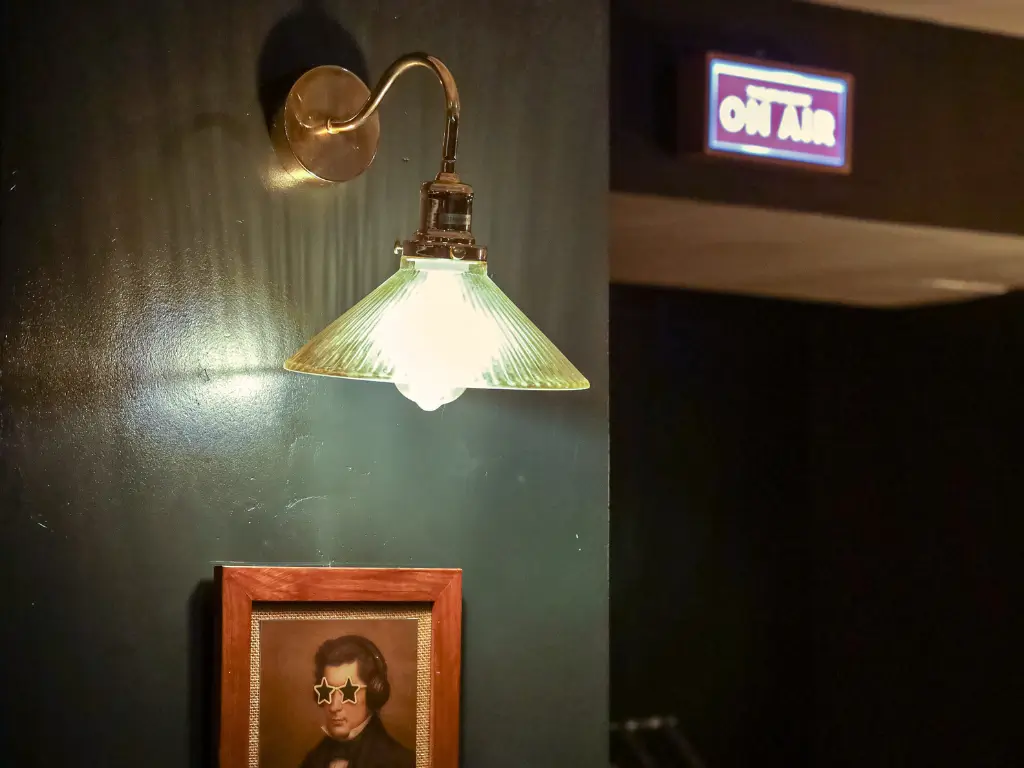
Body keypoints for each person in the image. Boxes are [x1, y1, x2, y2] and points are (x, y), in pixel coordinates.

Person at [299, 635, 414, 768]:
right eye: (327, 691)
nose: (334, 706)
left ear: (373, 694)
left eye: (347, 692)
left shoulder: (400, 762)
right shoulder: (312, 760)